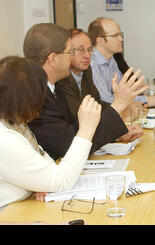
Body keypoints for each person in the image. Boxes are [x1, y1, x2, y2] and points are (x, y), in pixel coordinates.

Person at [23, 23, 146, 160]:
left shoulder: (53, 86)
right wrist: (118, 105)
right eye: (70, 52)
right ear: (52, 59)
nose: (72, 58)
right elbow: (70, 146)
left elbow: (76, 128)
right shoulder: (34, 96)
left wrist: (114, 134)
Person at [0, 56, 101, 208]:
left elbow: (48, 166)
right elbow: (62, 180)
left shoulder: (15, 124)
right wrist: (86, 130)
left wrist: (43, 183)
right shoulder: (6, 139)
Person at [55, 28, 143, 143]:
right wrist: (119, 114)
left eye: (89, 50)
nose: (87, 56)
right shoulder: (62, 79)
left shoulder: (86, 71)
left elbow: (97, 103)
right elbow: (78, 118)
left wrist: (119, 128)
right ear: (66, 52)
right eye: (81, 50)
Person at [88, 17, 155, 106]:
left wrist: (136, 88)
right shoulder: (91, 63)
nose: (121, 39)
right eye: (115, 36)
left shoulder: (111, 60)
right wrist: (146, 100)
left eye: (120, 35)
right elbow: (107, 100)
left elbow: (123, 93)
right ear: (100, 41)